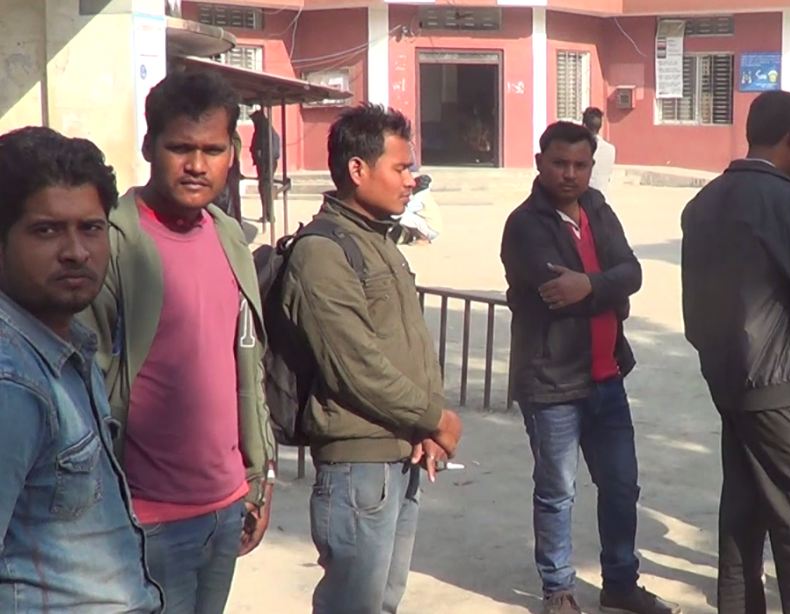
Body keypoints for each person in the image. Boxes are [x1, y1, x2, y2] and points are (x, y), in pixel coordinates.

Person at [79, 71, 276, 614]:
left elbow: (247, 367)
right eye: (180, 148)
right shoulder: (111, 242)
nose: (196, 165)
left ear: (233, 153)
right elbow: (85, 382)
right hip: (144, 517)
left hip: (227, 507)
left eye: (212, 150)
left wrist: (258, 475)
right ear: (149, 147)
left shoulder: (230, 236)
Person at [278, 103, 463, 614]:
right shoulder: (323, 251)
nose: (411, 180)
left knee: (383, 603)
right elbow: (354, 366)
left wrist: (424, 425)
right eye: (400, 168)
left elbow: (406, 345)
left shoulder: (376, 241)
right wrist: (436, 417)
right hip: (359, 470)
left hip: (401, 452)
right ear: (358, 169)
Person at [500, 121, 679, 614]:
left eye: (580, 165)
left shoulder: (597, 208)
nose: (570, 174)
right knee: (557, 492)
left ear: (591, 167)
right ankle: (558, 589)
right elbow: (556, 292)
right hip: (551, 381)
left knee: (621, 487)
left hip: (607, 377)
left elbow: (633, 272)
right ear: (540, 163)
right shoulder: (525, 224)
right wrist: (607, 289)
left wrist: (593, 286)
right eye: (560, 163)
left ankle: (620, 583)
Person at [681, 90, 790, 614]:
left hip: (730, 382)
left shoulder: (705, 200)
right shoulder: (789, 202)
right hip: (783, 387)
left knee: (743, 515)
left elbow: (694, 309)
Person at [0, 126, 163, 614]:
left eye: (91, 228)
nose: (76, 251)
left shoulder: (67, 344)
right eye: (46, 230)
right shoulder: (12, 382)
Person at [250, 108, 281, 224]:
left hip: (266, 163)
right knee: (265, 188)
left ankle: (269, 214)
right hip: (266, 163)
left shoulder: (264, 131)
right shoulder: (265, 129)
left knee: (265, 189)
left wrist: (261, 157)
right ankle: (267, 214)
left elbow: (265, 148)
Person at [583, 107, 616, 194]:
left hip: (585, 197)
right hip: (604, 196)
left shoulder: (581, 149)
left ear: (584, 125)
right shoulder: (610, 149)